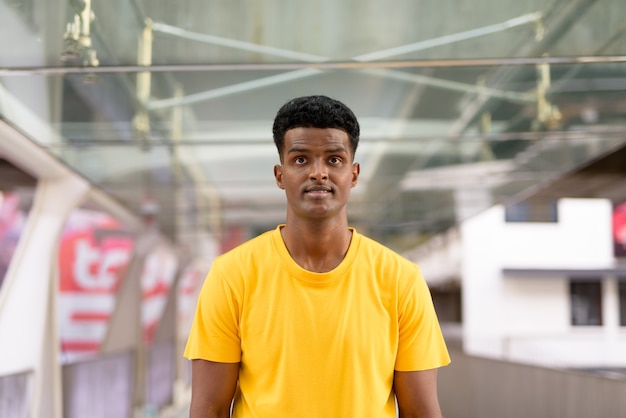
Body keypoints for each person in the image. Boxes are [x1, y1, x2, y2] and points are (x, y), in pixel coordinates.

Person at [184, 95, 450, 418]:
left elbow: (421, 411)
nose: (318, 173)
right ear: (279, 175)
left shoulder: (401, 280)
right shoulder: (232, 276)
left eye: (334, 159)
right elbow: (208, 409)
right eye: (301, 160)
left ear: (354, 174)